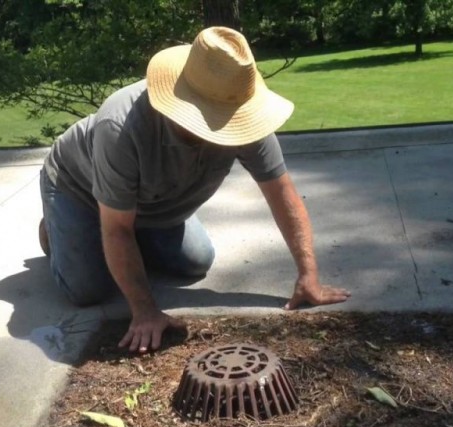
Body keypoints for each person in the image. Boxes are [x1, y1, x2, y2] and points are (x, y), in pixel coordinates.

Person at [39, 26, 351, 354]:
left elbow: (282, 192)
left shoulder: (240, 111)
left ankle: (129, 232)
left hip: (151, 203)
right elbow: (117, 229)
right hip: (79, 189)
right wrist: (144, 310)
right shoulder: (120, 126)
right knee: (87, 290)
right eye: (214, 118)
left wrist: (308, 274)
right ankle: (54, 231)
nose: (224, 126)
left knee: (196, 262)